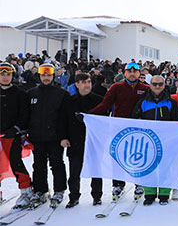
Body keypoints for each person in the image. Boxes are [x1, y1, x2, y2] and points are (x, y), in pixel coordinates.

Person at [89, 62, 149, 199]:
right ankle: (118, 184)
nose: (132, 74)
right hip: (119, 128)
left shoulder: (145, 88)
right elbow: (105, 105)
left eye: (135, 71)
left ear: (139, 74)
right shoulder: (117, 87)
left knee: (138, 156)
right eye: (129, 71)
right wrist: (89, 114)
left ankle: (139, 183)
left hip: (138, 128)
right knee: (118, 157)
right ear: (125, 73)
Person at [132, 75, 178, 205]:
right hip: (148, 141)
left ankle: (164, 193)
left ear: (164, 85)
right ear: (150, 85)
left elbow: (176, 121)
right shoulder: (143, 101)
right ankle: (150, 193)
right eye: (155, 84)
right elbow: (134, 119)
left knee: (165, 166)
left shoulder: (171, 102)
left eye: (160, 84)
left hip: (166, 141)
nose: (157, 87)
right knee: (149, 167)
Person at [26, 63, 69, 207]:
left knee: (56, 164)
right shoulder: (31, 93)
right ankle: (40, 190)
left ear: (53, 76)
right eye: (43, 75)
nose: (46, 78)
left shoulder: (61, 93)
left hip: (55, 137)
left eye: (48, 75)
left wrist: (64, 136)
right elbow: (26, 116)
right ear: (39, 76)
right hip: (36, 136)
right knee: (38, 165)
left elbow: (65, 118)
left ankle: (59, 190)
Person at [59, 72, 104, 207]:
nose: (87, 85)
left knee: (96, 170)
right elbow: (62, 121)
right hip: (75, 141)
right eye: (84, 82)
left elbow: (104, 121)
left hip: (93, 141)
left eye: (89, 82)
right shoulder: (69, 101)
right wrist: (63, 137)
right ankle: (73, 196)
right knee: (74, 171)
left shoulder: (99, 100)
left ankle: (97, 196)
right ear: (77, 85)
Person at [0, 62, 32, 208]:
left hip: (12, 135)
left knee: (15, 162)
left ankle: (26, 191)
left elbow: (24, 114)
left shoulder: (20, 93)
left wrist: (16, 128)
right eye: (2, 74)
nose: (5, 77)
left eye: (8, 74)